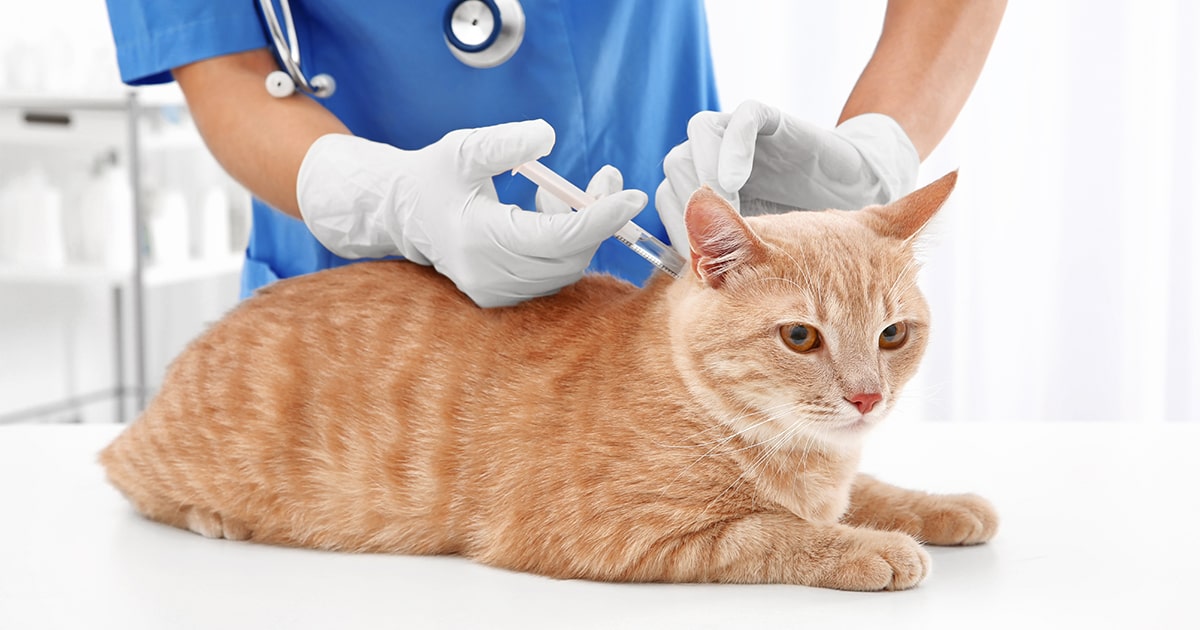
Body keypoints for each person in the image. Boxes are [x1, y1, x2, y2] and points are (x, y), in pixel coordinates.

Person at [104, 1, 1005, 307]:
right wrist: (383, 198)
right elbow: (218, 58)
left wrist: (875, 150)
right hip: (358, 313)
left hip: (663, 285)